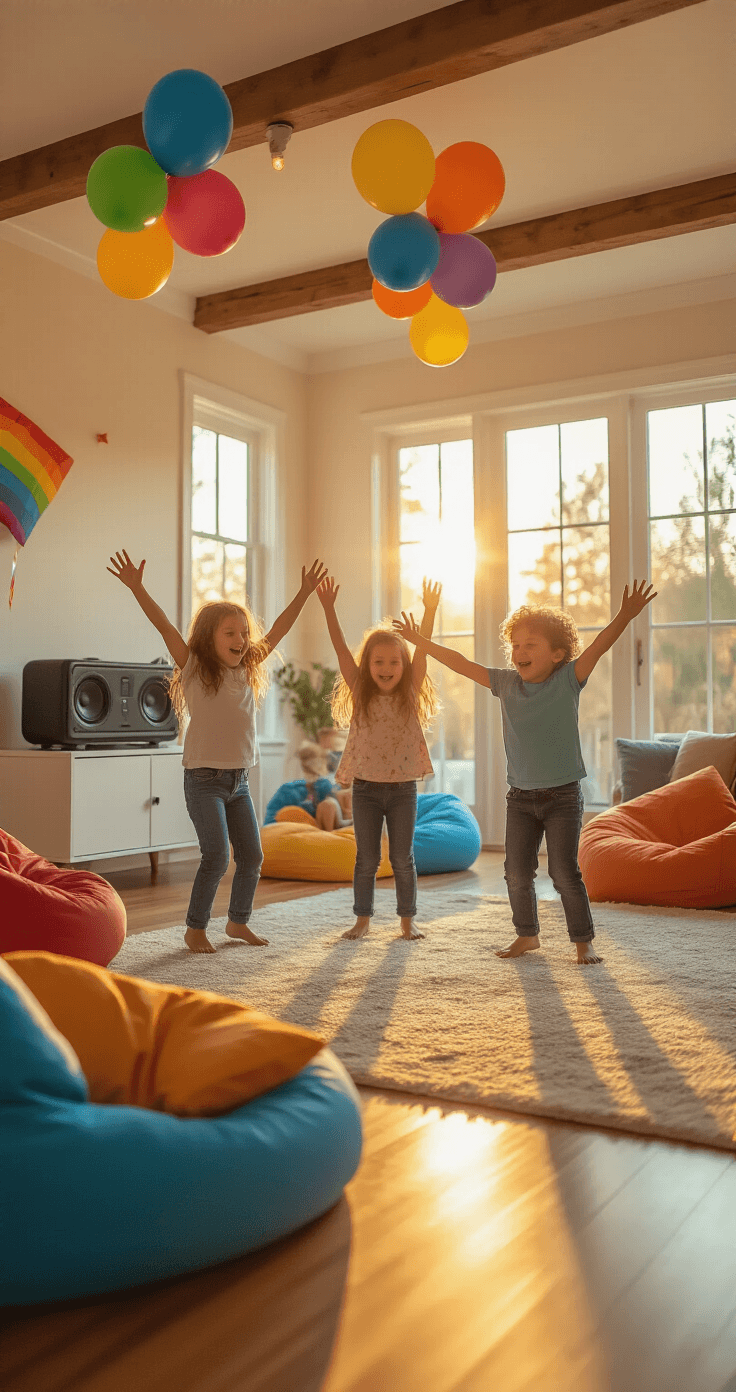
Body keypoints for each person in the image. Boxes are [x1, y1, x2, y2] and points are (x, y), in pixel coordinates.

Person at [394, 580, 656, 965]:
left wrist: (624, 616)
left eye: (530, 645)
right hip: (519, 798)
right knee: (516, 873)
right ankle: (527, 935)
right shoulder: (505, 683)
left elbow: (599, 645)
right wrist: (422, 641)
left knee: (564, 872)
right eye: (515, 645)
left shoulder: (568, 680)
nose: (519, 652)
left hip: (563, 796)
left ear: (558, 654)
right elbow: (461, 663)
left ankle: (583, 941)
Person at [108, 548, 327, 954]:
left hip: (238, 781)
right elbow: (164, 625)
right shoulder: (192, 666)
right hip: (203, 780)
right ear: (209, 637)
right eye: (231, 633)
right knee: (216, 856)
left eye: (244, 633)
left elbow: (278, 629)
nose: (242, 640)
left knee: (253, 856)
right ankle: (195, 927)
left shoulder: (247, 667)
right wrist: (138, 589)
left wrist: (304, 593)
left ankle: (237, 922)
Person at [317, 576, 441, 940]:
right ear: (367, 665)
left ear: (403, 666)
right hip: (367, 790)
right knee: (366, 860)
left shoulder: (410, 691)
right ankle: (362, 920)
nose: (386, 668)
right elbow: (341, 650)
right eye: (378, 662)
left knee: (403, 859)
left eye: (393, 662)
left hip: (403, 790)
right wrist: (328, 608)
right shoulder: (360, 692)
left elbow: (423, 653)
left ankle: (407, 921)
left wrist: (429, 612)